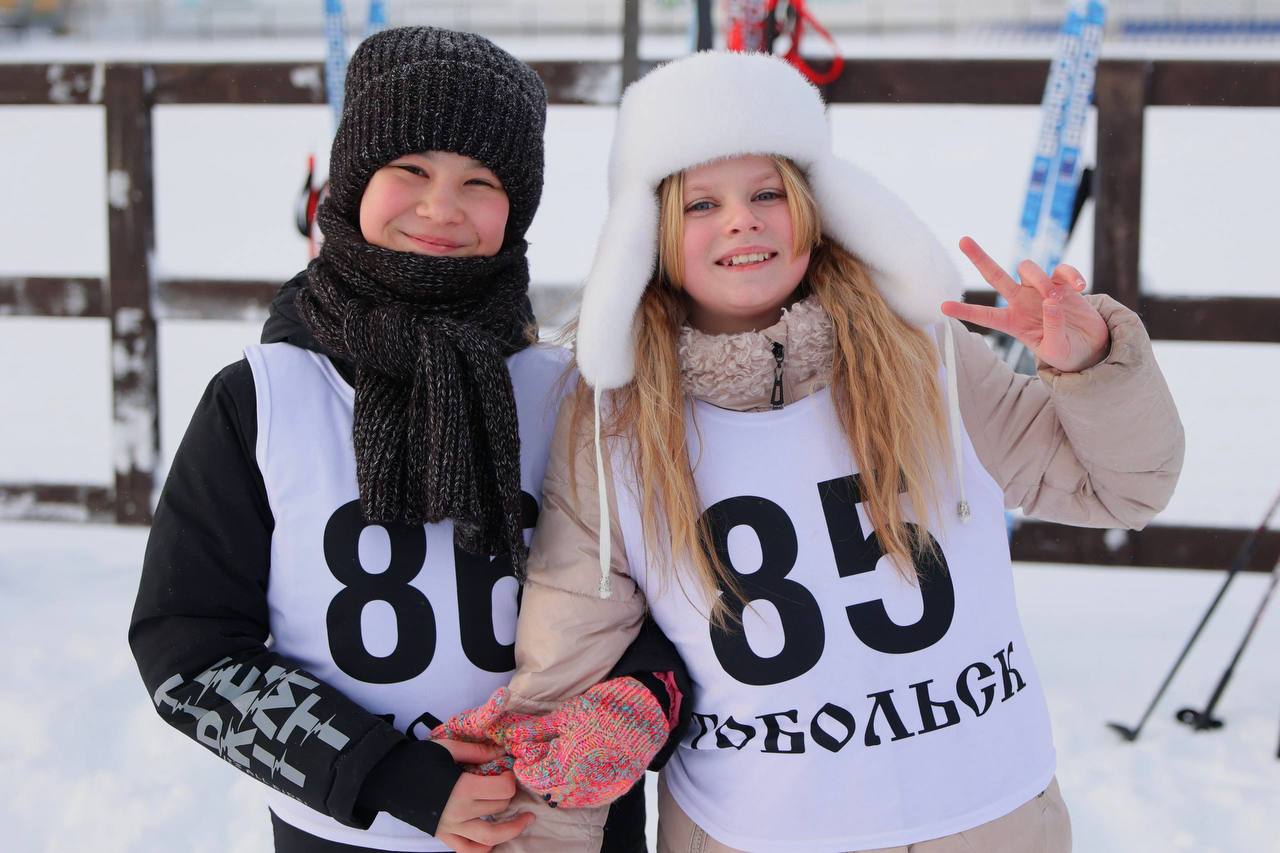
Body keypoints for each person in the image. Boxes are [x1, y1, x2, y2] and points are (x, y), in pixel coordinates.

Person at [491, 51, 1184, 852]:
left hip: (991, 817)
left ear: (815, 206)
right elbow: (570, 667)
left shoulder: (924, 352)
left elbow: (1124, 489)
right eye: (702, 203)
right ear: (650, 234)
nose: (741, 221)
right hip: (753, 829)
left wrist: (1091, 365)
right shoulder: (613, 424)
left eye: (766, 194)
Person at [128, 26, 667, 853]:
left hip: (563, 828)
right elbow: (188, 649)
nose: (440, 207)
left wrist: (640, 698)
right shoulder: (264, 399)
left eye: (479, 181)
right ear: (350, 181)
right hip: (351, 831)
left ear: (517, 210)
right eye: (409, 169)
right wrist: (397, 779)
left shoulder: (574, 393)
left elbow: (687, 600)